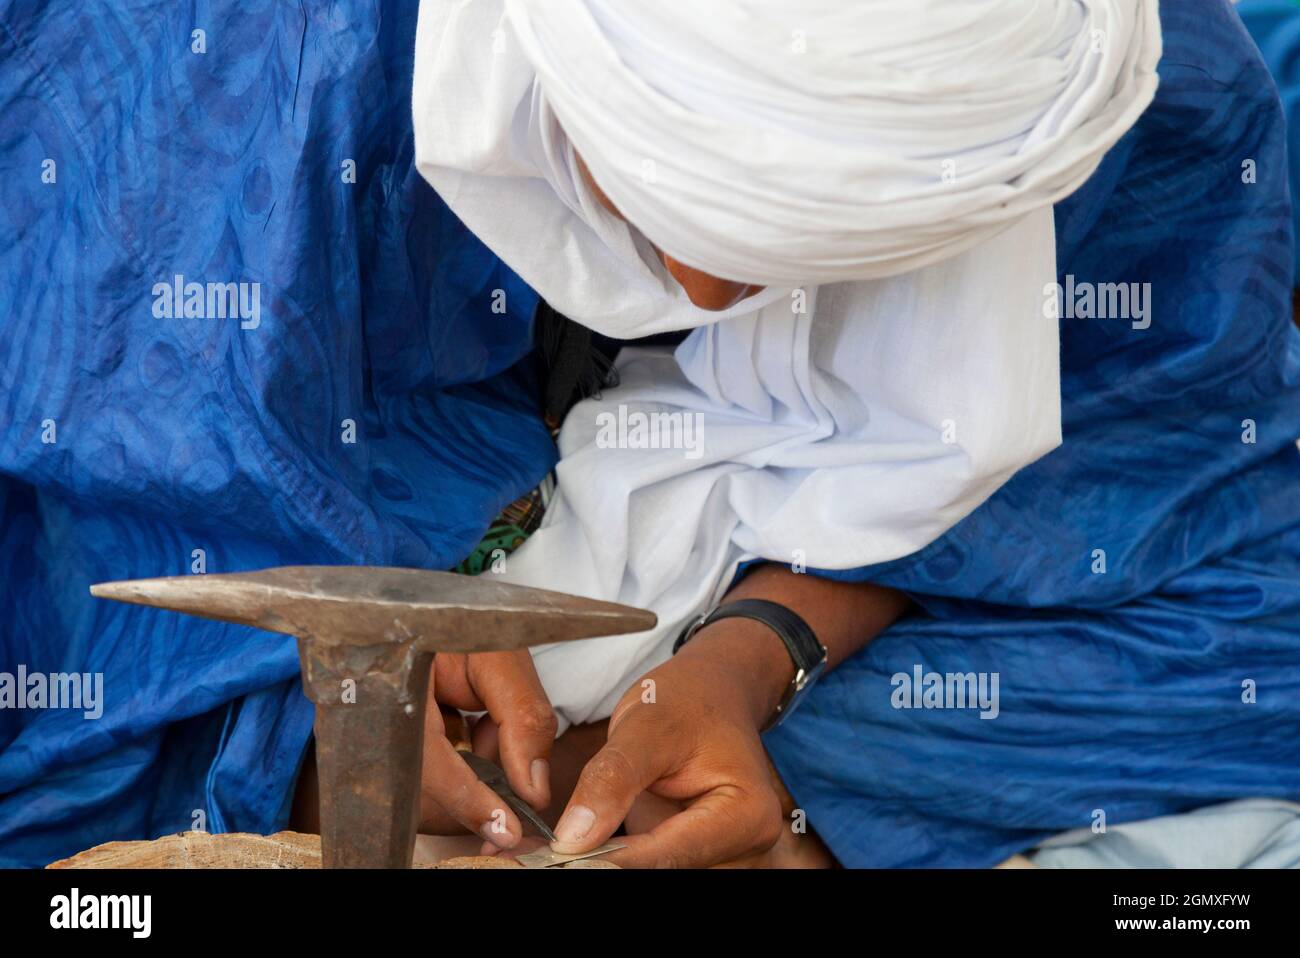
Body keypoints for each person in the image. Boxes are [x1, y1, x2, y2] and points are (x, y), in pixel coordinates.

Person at [405, 0, 1300, 868]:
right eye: (667, 179)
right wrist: (375, 670)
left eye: (810, 227)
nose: (705, 289)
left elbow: (1095, 478)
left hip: (985, 620)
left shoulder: (1102, 78)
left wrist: (748, 661)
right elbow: (291, 492)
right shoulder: (323, 75)